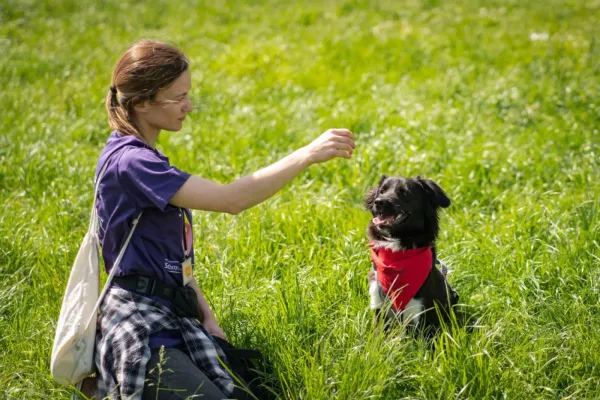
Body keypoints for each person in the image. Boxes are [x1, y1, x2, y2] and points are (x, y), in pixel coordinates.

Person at [93, 39, 355, 399]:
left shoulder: (143, 153)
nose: (188, 107)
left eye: (189, 94)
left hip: (173, 316)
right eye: (177, 98)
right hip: (142, 330)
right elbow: (231, 199)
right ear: (140, 102)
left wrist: (206, 315)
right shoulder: (133, 163)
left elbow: (170, 256)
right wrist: (307, 154)